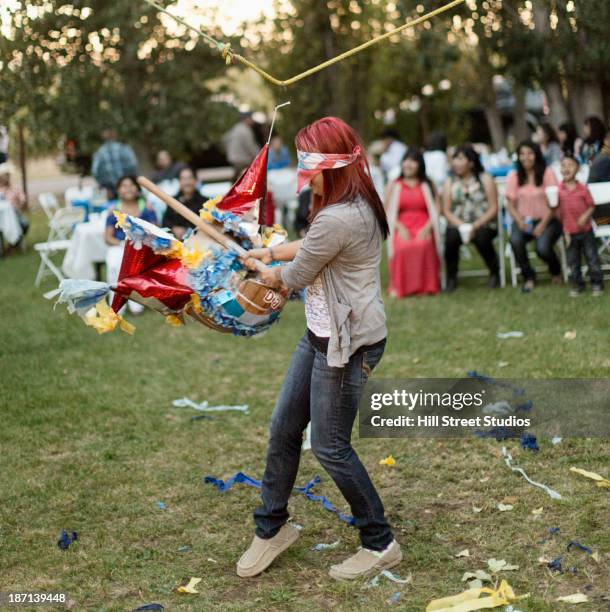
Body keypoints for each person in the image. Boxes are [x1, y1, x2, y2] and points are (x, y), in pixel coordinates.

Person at [237, 117, 401, 581]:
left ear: (330, 161)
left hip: (347, 344)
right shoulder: (351, 199)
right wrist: (268, 253)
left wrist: (264, 269)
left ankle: (380, 541)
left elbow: (292, 280)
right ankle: (272, 528)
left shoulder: (339, 215)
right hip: (320, 334)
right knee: (284, 429)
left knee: (330, 446)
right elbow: (309, 247)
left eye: (309, 157)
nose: (304, 167)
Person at [442, 145, 500, 291]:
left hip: (484, 223)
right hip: (458, 223)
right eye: (454, 158)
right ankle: (451, 277)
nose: (455, 162)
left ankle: (495, 272)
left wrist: (476, 225)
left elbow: (494, 208)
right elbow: (446, 210)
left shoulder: (485, 179)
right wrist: (462, 225)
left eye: (460, 158)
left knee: (482, 238)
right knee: (451, 238)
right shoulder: (450, 181)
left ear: (471, 162)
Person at [384, 148, 441, 297]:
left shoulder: (428, 183)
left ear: (420, 165)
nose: (408, 164)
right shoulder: (394, 184)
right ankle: (401, 287)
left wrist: (428, 227)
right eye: (406, 160)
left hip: (425, 224)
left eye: (413, 161)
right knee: (403, 247)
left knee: (424, 245)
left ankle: (426, 287)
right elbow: (386, 210)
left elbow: (437, 208)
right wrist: (398, 226)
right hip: (401, 225)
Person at [506, 141, 561, 293]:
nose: (526, 157)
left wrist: (542, 224)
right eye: (522, 154)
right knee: (515, 241)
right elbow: (510, 204)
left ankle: (555, 270)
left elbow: (554, 203)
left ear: (536, 155)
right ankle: (529, 276)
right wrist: (519, 221)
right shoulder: (514, 175)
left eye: (529, 153)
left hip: (548, 219)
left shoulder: (547, 173)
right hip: (523, 220)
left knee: (542, 248)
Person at [104, 176, 157, 314]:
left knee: (135, 266)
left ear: (137, 189)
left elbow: (156, 231)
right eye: (124, 185)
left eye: (131, 185)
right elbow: (108, 237)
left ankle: (135, 302)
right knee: (114, 263)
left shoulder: (146, 207)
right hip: (120, 245)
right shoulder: (115, 209)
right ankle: (116, 303)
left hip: (143, 246)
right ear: (118, 190)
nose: (128, 188)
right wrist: (122, 243)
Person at [558, 155, 603, 297]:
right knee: (573, 261)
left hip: (586, 231)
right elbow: (557, 210)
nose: (566, 168)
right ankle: (577, 284)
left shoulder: (583, 188)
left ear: (578, 169)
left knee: (592, 257)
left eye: (570, 165)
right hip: (569, 232)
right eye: (563, 165)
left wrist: (585, 216)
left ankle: (597, 283)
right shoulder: (559, 190)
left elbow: (591, 206)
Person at [161, 166, 205, 240]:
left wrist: (188, 230)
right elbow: (165, 223)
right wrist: (174, 228)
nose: (187, 182)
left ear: (195, 180)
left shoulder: (205, 202)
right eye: (183, 179)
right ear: (179, 181)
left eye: (189, 178)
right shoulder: (172, 201)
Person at [91, 129, 138, 198]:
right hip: (127, 188)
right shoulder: (125, 149)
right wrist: (131, 183)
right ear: (115, 136)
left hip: (110, 190)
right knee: (127, 207)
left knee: (115, 208)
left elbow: (95, 172)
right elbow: (133, 165)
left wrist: (104, 186)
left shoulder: (99, 153)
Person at [223, 111, 261, 179]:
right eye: (251, 118)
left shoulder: (236, 127)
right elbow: (250, 146)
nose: (252, 120)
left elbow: (225, 139)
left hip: (234, 158)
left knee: (237, 178)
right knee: (244, 179)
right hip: (242, 160)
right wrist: (260, 155)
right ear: (247, 119)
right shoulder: (246, 130)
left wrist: (229, 151)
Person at [0, 161, 28, 245]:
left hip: (16, 215)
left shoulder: (15, 188)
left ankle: (14, 244)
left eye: (8, 176)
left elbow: (23, 200)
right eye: (4, 176)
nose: (6, 178)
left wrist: (20, 204)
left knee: (24, 225)